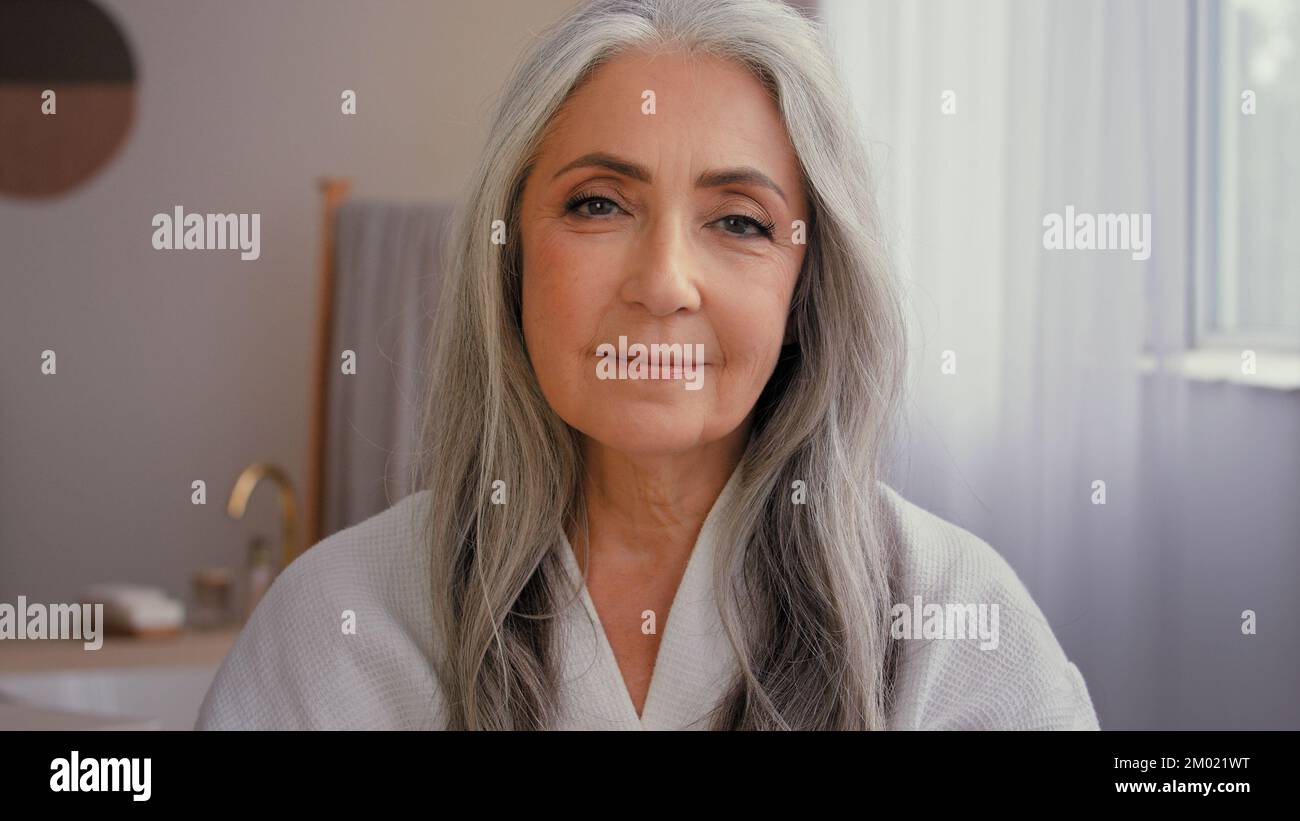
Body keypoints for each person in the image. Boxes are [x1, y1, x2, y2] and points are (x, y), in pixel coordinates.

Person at [197, 0, 1100, 731]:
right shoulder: (340, 618)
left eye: (740, 220)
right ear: (509, 261)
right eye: (598, 205)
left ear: (806, 289)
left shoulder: (953, 624)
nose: (665, 281)